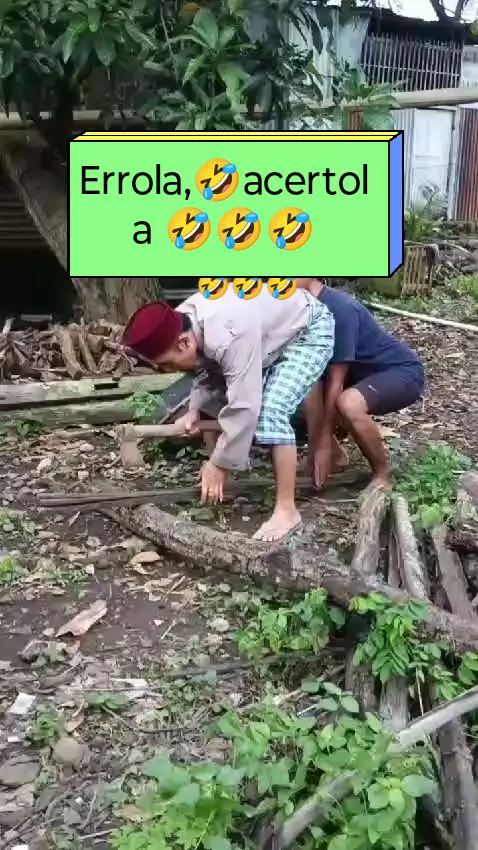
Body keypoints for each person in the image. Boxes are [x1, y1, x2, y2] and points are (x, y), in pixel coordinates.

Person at [121, 286, 335, 542]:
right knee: (217, 406)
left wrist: (219, 464)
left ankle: (287, 511)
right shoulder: (180, 321)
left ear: (185, 342)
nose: (168, 370)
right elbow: (203, 370)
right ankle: (222, 484)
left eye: (167, 364)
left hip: (305, 330)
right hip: (262, 334)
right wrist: (194, 411)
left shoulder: (229, 333)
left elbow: (244, 406)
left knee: (270, 412)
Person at [297, 278, 425, 490]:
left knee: (348, 404)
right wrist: (316, 447)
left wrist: (323, 443)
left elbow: (336, 381)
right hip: (357, 377)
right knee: (306, 391)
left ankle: (382, 473)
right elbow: (314, 375)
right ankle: (334, 457)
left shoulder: (339, 308)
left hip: (399, 371)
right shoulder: (302, 310)